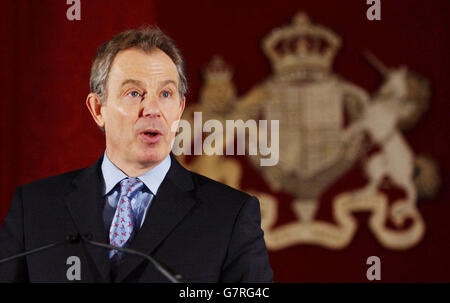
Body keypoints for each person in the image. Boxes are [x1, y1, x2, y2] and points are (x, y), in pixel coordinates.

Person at [0, 27, 273, 282]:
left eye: (165, 93)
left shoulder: (231, 214)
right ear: (98, 109)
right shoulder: (34, 207)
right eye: (134, 93)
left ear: (179, 110)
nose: (152, 110)